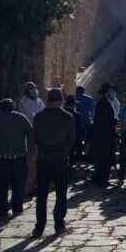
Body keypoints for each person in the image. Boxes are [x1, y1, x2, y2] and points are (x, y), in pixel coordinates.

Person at [32, 88, 76, 237]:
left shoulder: (38, 117)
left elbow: (35, 138)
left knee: (42, 194)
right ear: (60, 100)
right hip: (60, 159)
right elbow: (71, 140)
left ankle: (39, 227)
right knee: (61, 193)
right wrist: (62, 151)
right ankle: (59, 224)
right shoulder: (67, 117)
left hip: (43, 159)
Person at [0, 97, 34, 220]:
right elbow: (31, 135)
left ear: (1, 107)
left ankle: (1, 210)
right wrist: (32, 152)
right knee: (18, 185)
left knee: (0, 185)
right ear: (13, 107)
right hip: (19, 158)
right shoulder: (22, 118)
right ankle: (17, 207)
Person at [90, 84, 119, 187]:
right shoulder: (104, 104)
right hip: (105, 136)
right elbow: (107, 120)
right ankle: (103, 180)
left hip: (102, 136)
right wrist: (115, 121)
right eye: (111, 90)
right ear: (107, 92)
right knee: (105, 159)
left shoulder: (103, 103)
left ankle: (100, 178)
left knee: (103, 159)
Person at [73, 85, 96, 162]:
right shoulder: (89, 99)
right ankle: (86, 155)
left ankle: (77, 155)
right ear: (84, 91)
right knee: (87, 139)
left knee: (77, 139)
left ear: (76, 91)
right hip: (87, 122)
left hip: (76, 122)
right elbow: (93, 111)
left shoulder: (74, 98)